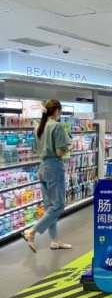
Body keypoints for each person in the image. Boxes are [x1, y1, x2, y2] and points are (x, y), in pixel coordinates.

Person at [22, 99, 73, 253]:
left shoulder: (38, 127)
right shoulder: (56, 126)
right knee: (58, 205)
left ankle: (55, 240)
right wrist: (70, 147)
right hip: (54, 167)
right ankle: (31, 232)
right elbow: (59, 152)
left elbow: (36, 150)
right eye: (60, 111)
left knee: (50, 206)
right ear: (57, 110)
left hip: (42, 167)